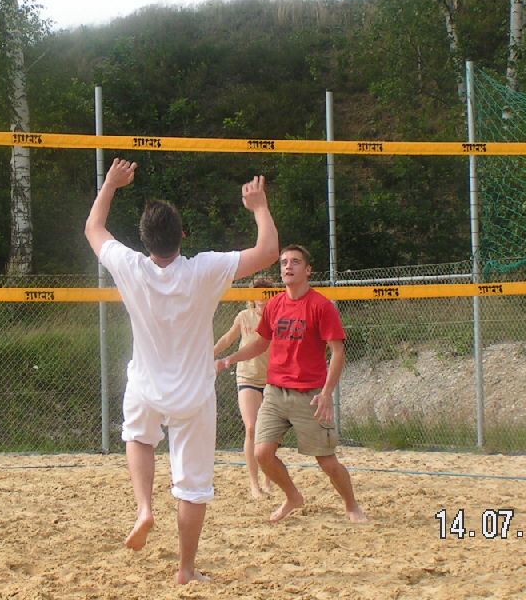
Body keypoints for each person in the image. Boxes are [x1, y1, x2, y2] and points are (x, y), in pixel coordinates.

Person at [84, 158, 278, 585]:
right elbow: (268, 252)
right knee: (192, 487)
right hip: (193, 392)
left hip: (146, 386)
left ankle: (144, 509)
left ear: (144, 240)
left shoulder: (131, 266)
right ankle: (186, 569)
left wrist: (111, 185)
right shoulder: (203, 269)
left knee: (138, 437)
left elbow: (94, 228)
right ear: (183, 236)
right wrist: (260, 207)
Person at [215, 244, 366, 524]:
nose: (288, 266)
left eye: (295, 262)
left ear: (308, 270)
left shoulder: (321, 306)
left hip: (309, 395)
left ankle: (351, 505)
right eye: (284, 262)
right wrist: (229, 359)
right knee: (262, 453)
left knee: (327, 462)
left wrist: (326, 393)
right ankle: (293, 496)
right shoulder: (274, 305)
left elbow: (338, 352)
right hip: (275, 392)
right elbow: (260, 343)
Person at [213, 276, 275, 499]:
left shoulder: (279, 316)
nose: (262, 298)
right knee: (251, 428)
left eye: (266, 293)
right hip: (247, 377)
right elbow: (227, 339)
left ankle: (268, 479)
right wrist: (209, 354)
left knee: (269, 432)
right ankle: (254, 485)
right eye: (257, 293)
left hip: (272, 379)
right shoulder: (244, 316)